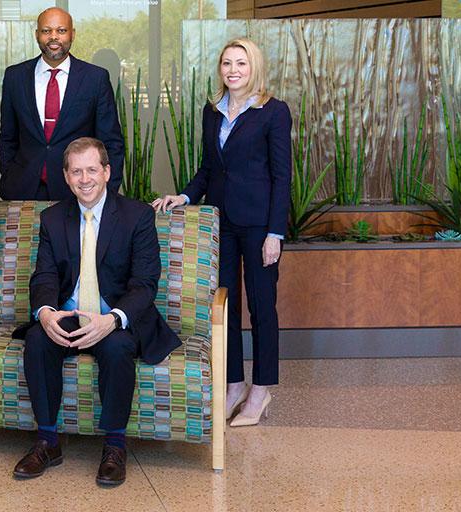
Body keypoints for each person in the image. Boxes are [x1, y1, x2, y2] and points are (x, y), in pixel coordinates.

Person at [14, 137, 179, 487]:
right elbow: (43, 275)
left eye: (92, 169)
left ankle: (115, 446)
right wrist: (45, 313)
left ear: (106, 172)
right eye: (76, 171)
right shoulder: (53, 218)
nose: (84, 178)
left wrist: (113, 319)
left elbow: (145, 283)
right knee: (37, 339)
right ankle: (47, 441)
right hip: (70, 314)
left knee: (118, 348)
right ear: (66, 176)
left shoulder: (137, 216)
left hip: (115, 316)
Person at [151, 37, 291, 427]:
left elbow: (283, 177)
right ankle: (232, 383)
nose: (233, 70)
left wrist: (275, 233)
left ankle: (261, 391)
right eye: (227, 63)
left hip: (260, 225)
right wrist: (184, 195)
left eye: (241, 64)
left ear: (254, 68)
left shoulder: (273, 112)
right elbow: (209, 168)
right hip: (220, 223)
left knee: (262, 308)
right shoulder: (211, 112)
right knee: (224, 307)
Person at [0, 7, 123, 201]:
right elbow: (7, 137)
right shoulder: (15, 77)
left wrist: (107, 191)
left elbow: (111, 143)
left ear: (72, 34)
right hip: (24, 188)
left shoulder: (95, 78)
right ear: (37, 34)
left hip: (78, 192)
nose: (53, 37)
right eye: (46, 31)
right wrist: (9, 173)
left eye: (61, 30)